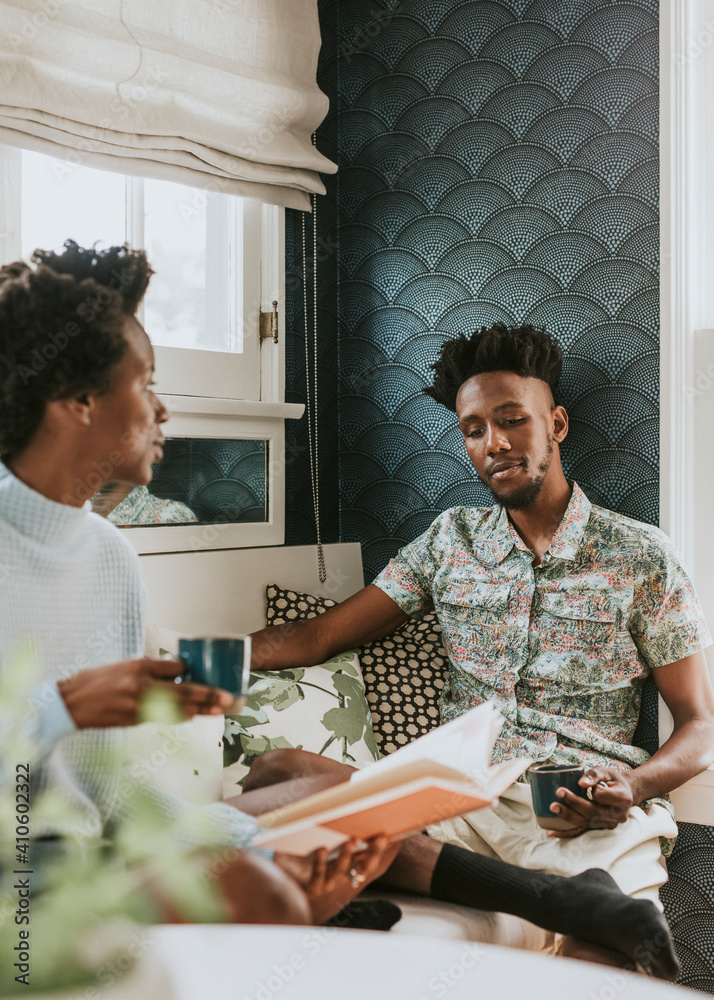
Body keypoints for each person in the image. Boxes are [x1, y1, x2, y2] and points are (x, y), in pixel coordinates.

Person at [243, 323, 714, 976]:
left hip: (579, 813)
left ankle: (583, 905)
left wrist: (631, 785)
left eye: (512, 421)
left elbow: (699, 726)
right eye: (473, 430)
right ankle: (515, 889)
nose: (494, 443)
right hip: (456, 801)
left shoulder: (641, 556)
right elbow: (318, 637)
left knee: (594, 971)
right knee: (274, 779)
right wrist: (197, 661)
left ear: (556, 424)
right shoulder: (450, 541)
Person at [0, 240, 394, 926]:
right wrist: (58, 708)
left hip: (85, 880)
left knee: (293, 859)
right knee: (264, 899)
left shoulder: (110, 561)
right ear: (78, 402)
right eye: (145, 382)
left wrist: (268, 853)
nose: (164, 410)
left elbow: (112, 799)